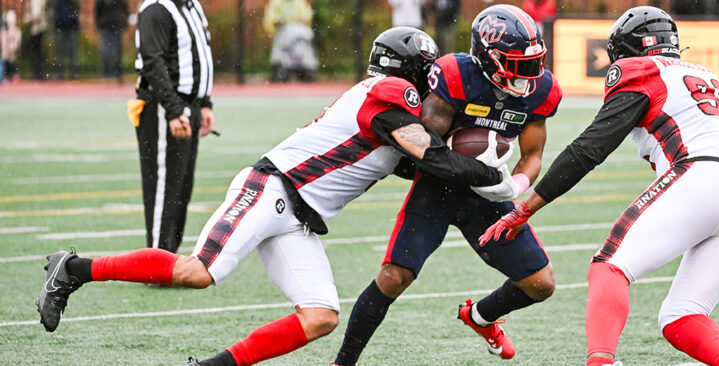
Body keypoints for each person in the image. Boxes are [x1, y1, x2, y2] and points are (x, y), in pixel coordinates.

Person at [35, 27, 514, 366]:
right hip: (271, 189)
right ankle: (73, 269)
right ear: (411, 70)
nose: (434, 84)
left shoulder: (388, 108)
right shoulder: (390, 93)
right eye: (428, 73)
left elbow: (421, 164)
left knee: (320, 316)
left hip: (299, 217)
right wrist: (494, 175)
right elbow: (433, 159)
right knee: (197, 272)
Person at [479, 6, 719, 366]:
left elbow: (589, 149)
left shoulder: (640, 71)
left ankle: (601, 363)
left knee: (609, 267)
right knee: (681, 315)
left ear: (625, 51)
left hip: (703, 176)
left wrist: (526, 208)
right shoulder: (705, 78)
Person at [333, 5, 562, 365]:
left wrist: (515, 184)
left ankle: (480, 317)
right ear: (488, 58)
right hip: (436, 188)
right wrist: (473, 169)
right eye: (518, 63)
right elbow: (425, 147)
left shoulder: (541, 90)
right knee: (394, 277)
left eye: (533, 62)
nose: (529, 73)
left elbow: (533, 154)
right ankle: (343, 362)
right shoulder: (456, 75)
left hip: (487, 197)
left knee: (541, 283)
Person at [132, 0, 215, 256]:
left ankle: (169, 259)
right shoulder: (157, 8)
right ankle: (157, 262)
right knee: (163, 190)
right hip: (164, 106)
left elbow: (198, 53)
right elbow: (152, 61)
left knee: (180, 190)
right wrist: (173, 109)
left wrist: (204, 103)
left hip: (188, 105)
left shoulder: (190, 5)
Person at [263, 0, 317, 82]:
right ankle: (280, 70)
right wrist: (278, 22)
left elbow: (306, 17)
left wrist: (297, 23)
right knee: (279, 56)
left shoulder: (299, 2)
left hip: (298, 36)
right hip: (282, 34)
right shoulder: (276, 2)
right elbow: (271, 19)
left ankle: (304, 69)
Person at [95, 0, 129, 80]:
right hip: (116, 23)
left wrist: (98, 24)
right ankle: (116, 71)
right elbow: (125, 10)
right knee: (116, 48)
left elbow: (98, 11)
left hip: (105, 24)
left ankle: (107, 71)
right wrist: (125, 23)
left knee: (107, 49)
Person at [53, 0, 80, 80]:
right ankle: (59, 72)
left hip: (72, 25)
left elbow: (78, 6)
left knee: (73, 50)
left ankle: (74, 72)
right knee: (59, 51)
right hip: (60, 24)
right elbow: (51, 7)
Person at [23, 0, 48, 80]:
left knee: (35, 51)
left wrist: (28, 19)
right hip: (37, 28)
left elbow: (36, 15)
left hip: (37, 29)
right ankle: (40, 72)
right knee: (37, 51)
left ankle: (39, 72)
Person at [1, 10, 22, 83]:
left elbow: (18, 42)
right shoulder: (4, 32)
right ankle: (5, 75)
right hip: (6, 53)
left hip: (12, 53)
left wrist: (14, 46)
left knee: (13, 60)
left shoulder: (17, 31)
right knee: (5, 59)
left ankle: (13, 74)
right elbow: (3, 44)